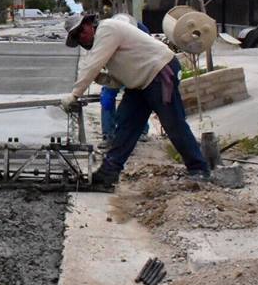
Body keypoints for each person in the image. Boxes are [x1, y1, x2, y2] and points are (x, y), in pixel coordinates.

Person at [60, 13, 209, 188]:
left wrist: (75, 94)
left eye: (81, 31)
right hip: (140, 81)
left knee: (172, 122)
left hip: (159, 71)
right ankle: (109, 172)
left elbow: (92, 65)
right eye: (77, 37)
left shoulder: (107, 29)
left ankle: (199, 169)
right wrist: (104, 79)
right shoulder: (101, 40)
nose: (81, 37)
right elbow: (121, 75)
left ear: (89, 24)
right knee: (126, 123)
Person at [100, 14, 151, 144]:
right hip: (115, 68)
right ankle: (108, 134)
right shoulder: (106, 31)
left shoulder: (142, 31)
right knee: (107, 99)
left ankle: (142, 130)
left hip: (136, 68)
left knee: (141, 98)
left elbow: (148, 55)